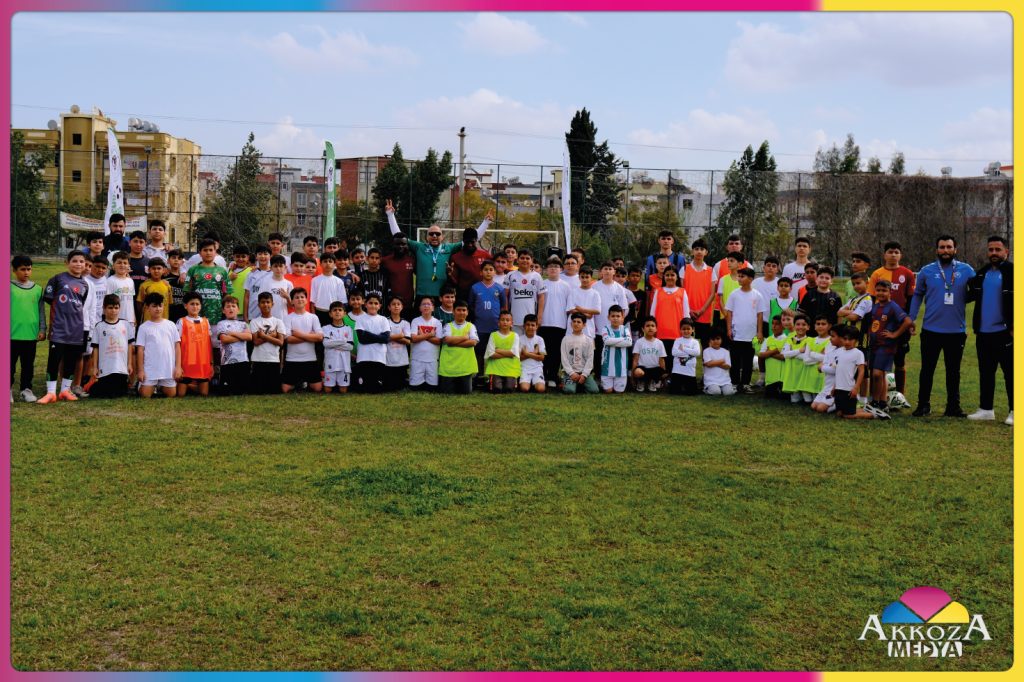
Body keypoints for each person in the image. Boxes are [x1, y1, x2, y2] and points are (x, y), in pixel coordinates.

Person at [908, 235, 975, 417]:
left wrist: (965, 298)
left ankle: (953, 407)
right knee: (927, 370)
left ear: (955, 249)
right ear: (937, 250)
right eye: (942, 247)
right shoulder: (926, 271)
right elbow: (917, 295)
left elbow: (978, 290)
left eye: (949, 247)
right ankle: (923, 405)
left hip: (956, 331)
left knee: (953, 371)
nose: (945, 250)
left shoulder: (967, 270)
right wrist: (911, 318)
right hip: (931, 330)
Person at [385, 198, 492, 300]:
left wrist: (485, 223)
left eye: (437, 234)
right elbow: (399, 237)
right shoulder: (419, 247)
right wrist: (390, 215)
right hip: (422, 296)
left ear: (442, 237)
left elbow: (471, 239)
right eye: (431, 234)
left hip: (442, 297)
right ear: (427, 236)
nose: (434, 236)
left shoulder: (449, 248)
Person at [38, 251, 98, 403]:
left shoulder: (85, 284)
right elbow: (50, 300)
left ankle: (65, 390)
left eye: (81, 262)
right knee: (54, 360)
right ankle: (51, 392)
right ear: (67, 263)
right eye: (75, 261)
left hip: (76, 330)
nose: (78, 264)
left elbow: (81, 306)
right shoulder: (57, 279)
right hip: (58, 328)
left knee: (71, 361)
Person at [966, 235, 1013, 424]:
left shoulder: (1013, 272)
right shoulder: (982, 273)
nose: (994, 253)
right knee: (986, 373)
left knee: (1011, 373)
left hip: (1006, 333)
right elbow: (968, 295)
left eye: (997, 250)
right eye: (991, 250)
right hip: (984, 333)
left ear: (1006, 251)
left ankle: (1015, 411)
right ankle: (986, 409)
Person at [866, 279, 912, 416]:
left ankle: (875, 401)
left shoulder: (893, 306)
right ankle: (882, 402)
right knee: (879, 375)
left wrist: (895, 334)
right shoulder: (875, 306)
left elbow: (907, 321)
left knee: (877, 374)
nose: (881, 293)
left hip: (886, 346)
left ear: (890, 292)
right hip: (874, 345)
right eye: (878, 290)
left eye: (884, 290)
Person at [724, 267, 766, 392]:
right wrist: (729, 329)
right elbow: (729, 313)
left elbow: (760, 315)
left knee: (748, 361)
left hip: (751, 335)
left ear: (751, 279)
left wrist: (759, 332)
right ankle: (735, 383)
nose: (739, 279)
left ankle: (746, 383)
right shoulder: (734, 294)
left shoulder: (757, 295)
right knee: (735, 360)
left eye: (742, 276)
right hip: (736, 333)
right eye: (739, 276)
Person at [10, 255, 46, 403]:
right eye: (22, 269)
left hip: (30, 335)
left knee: (28, 366)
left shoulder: (37, 289)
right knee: (9, 365)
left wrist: (42, 329)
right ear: (14, 270)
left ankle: (26, 390)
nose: (26, 272)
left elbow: (41, 311)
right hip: (11, 335)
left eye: (29, 269)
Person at [833, 324, 887, 420]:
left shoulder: (858, 353)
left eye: (850, 339)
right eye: (845, 339)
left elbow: (861, 372)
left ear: (856, 340)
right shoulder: (839, 352)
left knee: (848, 415)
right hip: (838, 389)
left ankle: (876, 415)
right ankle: (867, 409)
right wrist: (834, 387)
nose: (847, 342)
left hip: (848, 389)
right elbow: (838, 371)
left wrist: (856, 387)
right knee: (839, 413)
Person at [86, 294, 135, 399]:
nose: (113, 311)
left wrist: (129, 364)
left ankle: (125, 385)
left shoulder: (126, 325)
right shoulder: (99, 326)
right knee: (103, 393)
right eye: (110, 308)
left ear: (120, 308)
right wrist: (95, 367)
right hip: (106, 369)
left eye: (116, 308)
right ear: (104, 308)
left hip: (121, 368)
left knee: (118, 393)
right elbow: (96, 348)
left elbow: (130, 345)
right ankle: (90, 384)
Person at [135, 292, 181, 399]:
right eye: (154, 306)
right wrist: (141, 370)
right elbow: (140, 350)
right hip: (150, 369)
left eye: (160, 305)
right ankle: (143, 385)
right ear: (147, 308)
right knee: (145, 395)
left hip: (167, 368)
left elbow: (177, 347)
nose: (158, 309)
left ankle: (159, 386)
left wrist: (178, 367)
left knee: (171, 394)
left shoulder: (171, 325)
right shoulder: (143, 327)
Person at [282, 288, 324, 394]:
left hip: (310, 359)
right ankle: (299, 382)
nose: (300, 299)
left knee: (318, 388)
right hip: (292, 359)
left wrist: (299, 334)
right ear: (292, 301)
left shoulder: (313, 317)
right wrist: (310, 336)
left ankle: (304, 382)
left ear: (306, 300)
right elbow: (288, 339)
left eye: (302, 297)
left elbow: (319, 337)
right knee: (285, 389)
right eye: (296, 297)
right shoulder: (288, 318)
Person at [539, 257, 571, 387]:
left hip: (560, 323)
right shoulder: (542, 284)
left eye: (556, 266)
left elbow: (569, 306)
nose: (553, 269)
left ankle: (552, 376)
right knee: (543, 351)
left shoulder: (566, 286)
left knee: (556, 352)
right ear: (546, 269)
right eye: (550, 266)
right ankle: (542, 375)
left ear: (561, 269)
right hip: (543, 323)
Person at [468, 261, 504, 378]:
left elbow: (503, 306)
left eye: (491, 269)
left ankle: (493, 376)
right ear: (481, 272)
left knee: (494, 351)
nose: (488, 272)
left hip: (494, 326)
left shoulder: (499, 288)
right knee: (479, 351)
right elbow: (470, 305)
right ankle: (479, 375)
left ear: (494, 272)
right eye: (486, 269)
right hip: (480, 326)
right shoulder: (475, 288)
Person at [183, 238, 230, 327]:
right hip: (196, 316)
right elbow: (187, 292)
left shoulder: (222, 271)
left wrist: (224, 311)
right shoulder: (193, 270)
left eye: (211, 250)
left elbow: (227, 294)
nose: (208, 253)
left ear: (215, 252)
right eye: (205, 250)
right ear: (200, 253)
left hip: (217, 316)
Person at [176, 292, 214, 397]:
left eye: (197, 304)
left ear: (201, 306)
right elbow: (177, 344)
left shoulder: (206, 321)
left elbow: (209, 344)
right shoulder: (181, 321)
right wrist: (178, 365)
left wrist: (211, 364)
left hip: (202, 364)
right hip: (186, 364)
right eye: (192, 304)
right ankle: (188, 384)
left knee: (204, 394)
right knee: (180, 394)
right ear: (185, 306)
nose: (195, 306)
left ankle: (192, 385)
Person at [648, 266, 690, 358]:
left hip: (677, 332)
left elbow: (686, 314)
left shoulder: (682, 291)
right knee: (661, 359)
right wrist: (652, 328)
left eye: (672, 275)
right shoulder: (658, 291)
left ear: (677, 277)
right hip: (660, 332)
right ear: (664, 277)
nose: (670, 277)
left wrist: (686, 330)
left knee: (674, 360)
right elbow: (652, 312)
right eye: (667, 275)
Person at [438, 300, 479, 394]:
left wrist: (453, 342)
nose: (461, 312)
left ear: (467, 312)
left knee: (465, 392)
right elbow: (447, 340)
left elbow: (473, 342)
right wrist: (464, 338)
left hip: (465, 368)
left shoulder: (471, 326)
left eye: (464, 310)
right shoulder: (447, 326)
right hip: (449, 368)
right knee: (447, 392)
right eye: (459, 310)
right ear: (453, 311)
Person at [249, 292, 286, 394]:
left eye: (268, 302)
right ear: (258, 305)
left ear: (272, 304)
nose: (265, 304)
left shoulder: (278, 322)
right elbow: (256, 342)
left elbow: (280, 342)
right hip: (258, 360)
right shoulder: (254, 322)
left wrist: (264, 336)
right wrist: (272, 335)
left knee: (274, 391)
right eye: (262, 302)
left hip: (273, 360)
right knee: (258, 391)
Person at [353, 293, 390, 394]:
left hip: (378, 357)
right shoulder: (360, 319)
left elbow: (386, 339)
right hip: (364, 356)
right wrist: (379, 337)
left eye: (376, 303)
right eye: (370, 303)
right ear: (365, 304)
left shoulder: (383, 319)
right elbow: (362, 339)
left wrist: (368, 334)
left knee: (376, 388)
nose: (373, 305)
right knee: (363, 387)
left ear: (380, 306)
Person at [216, 295, 252, 396]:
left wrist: (232, 333)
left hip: (242, 361)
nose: (231, 308)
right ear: (223, 310)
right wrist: (241, 337)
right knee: (226, 391)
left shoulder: (243, 324)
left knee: (241, 391)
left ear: (238, 309)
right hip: (227, 362)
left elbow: (249, 337)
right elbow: (224, 339)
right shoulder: (221, 324)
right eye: (228, 306)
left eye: (233, 306)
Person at [683, 238, 715, 349]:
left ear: (706, 252)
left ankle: (706, 360)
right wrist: (689, 310)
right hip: (687, 312)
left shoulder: (711, 270)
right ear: (692, 252)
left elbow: (712, 294)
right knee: (686, 342)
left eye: (702, 249)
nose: (699, 251)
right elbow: (681, 292)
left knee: (705, 343)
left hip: (704, 314)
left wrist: (701, 310)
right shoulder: (684, 269)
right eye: (696, 249)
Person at [507, 249, 546, 337]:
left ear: (532, 260)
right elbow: (505, 295)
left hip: (531, 321)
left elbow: (541, 297)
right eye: (522, 258)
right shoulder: (510, 275)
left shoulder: (537, 276)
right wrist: (507, 315)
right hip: (514, 320)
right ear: (517, 259)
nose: (525, 260)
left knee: (530, 344)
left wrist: (539, 316)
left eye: (527, 258)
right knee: (516, 344)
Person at [449, 227, 493, 301]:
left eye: (472, 242)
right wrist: (450, 275)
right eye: (467, 242)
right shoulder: (455, 257)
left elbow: (497, 267)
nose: (470, 245)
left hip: (482, 293)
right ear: (463, 241)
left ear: (476, 240)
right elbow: (454, 281)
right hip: (464, 295)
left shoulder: (485, 255)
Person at [409, 297, 443, 391]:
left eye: (429, 304)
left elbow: (439, 341)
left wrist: (422, 335)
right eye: (423, 304)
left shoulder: (437, 323)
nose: (426, 306)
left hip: (432, 360)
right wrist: (430, 335)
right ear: (420, 308)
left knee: (432, 388)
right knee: (415, 387)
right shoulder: (415, 321)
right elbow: (414, 339)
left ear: (433, 308)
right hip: (417, 359)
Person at [561, 312, 599, 394]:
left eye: (579, 322)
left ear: (584, 325)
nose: (576, 324)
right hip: (570, 373)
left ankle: (580, 384)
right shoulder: (565, 339)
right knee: (569, 390)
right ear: (571, 324)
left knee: (594, 390)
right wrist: (571, 373)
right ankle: (567, 382)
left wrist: (584, 375)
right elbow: (564, 359)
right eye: (574, 321)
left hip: (584, 373)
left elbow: (590, 359)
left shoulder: (588, 340)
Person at [322, 301, 355, 394]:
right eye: (335, 310)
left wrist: (333, 343)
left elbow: (350, 347)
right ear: (330, 314)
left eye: (340, 310)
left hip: (344, 364)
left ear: (344, 314)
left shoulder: (348, 329)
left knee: (343, 390)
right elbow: (326, 344)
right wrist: (343, 341)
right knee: (328, 390)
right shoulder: (326, 328)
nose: (337, 312)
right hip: (330, 362)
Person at [484, 310, 521, 393]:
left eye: (507, 320)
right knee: (496, 389)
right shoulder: (493, 335)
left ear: (511, 323)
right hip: (495, 369)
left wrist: (498, 350)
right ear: (498, 322)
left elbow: (513, 353)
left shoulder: (515, 336)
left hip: (510, 369)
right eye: (502, 320)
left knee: (509, 389)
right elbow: (491, 354)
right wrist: (508, 353)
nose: (505, 322)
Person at [381, 233, 416, 317]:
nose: (400, 246)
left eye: (403, 244)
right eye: (397, 244)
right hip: (391, 304)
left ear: (407, 245)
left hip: (407, 304)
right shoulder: (385, 261)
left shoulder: (412, 260)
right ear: (393, 245)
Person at [781, 313, 813, 404]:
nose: (800, 327)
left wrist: (792, 353)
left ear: (808, 327)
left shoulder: (810, 340)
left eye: (804, 325)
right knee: (794, 400)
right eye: (798, 324)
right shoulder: (789, 339)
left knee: (808, 400)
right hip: (792, 373)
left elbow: (806, 357)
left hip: (804, 372)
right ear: (794, 326)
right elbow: (784, 355)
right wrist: (799, 350)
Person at [600, 305, 632, 394]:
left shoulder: (625, 329)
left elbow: (629, 342)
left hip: (621, 367)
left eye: (618, 316)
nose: (615, 318)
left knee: (619, 391)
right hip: (607, 366)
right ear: (608, 317)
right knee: (608, 391)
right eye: (613, 316)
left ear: (622, 317)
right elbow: (606, 341)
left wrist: (612, 341)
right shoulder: (605, 328)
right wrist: (623, 339)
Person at [810, 325, 842, 415]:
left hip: (834, 388)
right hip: (826, 386)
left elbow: (835, 370)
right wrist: (826, 366)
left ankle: (840, 404)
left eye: (833, 336)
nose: (830, 338)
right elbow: (824, 363)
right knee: (814, 406)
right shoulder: (831, 350)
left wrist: (822, 367)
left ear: (841, 338)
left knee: (820, 409)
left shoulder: (843, 352)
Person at [311, 252, 348, 327]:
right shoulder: (315, 280)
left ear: (334, 264)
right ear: (320, 264)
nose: (327, 263)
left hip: (334, 313)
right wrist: (313, 314)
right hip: (319, 312)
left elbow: (342, 301)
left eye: (330, 261)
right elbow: (312, 301)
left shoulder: (339, 281)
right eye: (325, 261)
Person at [106, 251, 138, 337]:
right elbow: (107, 303)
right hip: (116, 320)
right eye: (119, 262)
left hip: (130, 320)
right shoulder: (110, 281)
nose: (122, 265)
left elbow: (131, 301)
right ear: (113, 265)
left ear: (128, 265)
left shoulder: (130, 281)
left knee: (130, 343)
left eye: (125, 263)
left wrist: (134, 317)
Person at [632, 317, 667, 392]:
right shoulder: (639, 342)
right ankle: (641, 381)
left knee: (664, 373)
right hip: (642, 368)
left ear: (656, 329)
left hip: (654, 368)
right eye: (647, 326)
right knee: (638, 372)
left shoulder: (660, 343)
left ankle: (652, 382)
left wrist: (663, 373)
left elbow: (662, 360)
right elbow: (635, 359)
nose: (650, 328)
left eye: (652, 326)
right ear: (643, 329)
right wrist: (632, 376)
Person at [757, 316, 789, 400]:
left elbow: (783, 357)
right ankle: (763, 380)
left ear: (783, 326)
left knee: (782, 398)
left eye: (777, 324)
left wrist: (768, 352)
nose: (774, 326)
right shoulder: (768, 340)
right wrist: (775, 351)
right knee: (770, 396)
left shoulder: (787, 340)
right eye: (773, 323)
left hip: (782, 379)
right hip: (770, 380)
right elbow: (761, 355)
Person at [668, 317, 701, 396]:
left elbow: (697, 352)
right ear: (680, 330)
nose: (686, 331)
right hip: (677, 371)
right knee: (674, 392)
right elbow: (674, 353)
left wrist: (683, 348)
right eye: (683, 329)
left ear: (693, 329)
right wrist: (690, 353)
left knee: (691, 393)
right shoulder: (677, 340)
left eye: (688, 329)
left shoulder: (695, 342)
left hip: (690, 372)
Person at [384, 296, 411, 391]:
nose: (396, 306)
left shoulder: (406, 323)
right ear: (389, 307)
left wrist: (391, 336)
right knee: (390, 387)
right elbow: (384, 338)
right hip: (389, 359)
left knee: (401, 386)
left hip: (402, 359)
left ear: (402, 307)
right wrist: (400, 335)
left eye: (398, 304)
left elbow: (408, 341)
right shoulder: (385, 321)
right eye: (393, 304)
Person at [568, 266, 601, 339]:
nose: (584, 279)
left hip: (588, 330)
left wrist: (581, 309)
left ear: (591, 278)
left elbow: (597, 311)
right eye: (582, 277)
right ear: (579, 278)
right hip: (573, 330)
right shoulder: (573, 292)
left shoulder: (595, 293)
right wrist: (587, 315)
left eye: (587, 277)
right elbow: (571, 309)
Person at [518, 314, 547, 393]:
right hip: (524, 368)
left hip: (537, 368)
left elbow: (542, 357)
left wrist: (526, 353)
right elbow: (518, 358)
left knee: (541, 389)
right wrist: (534, 353)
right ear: (524, 326)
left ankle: (535, 383)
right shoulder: (519, 339)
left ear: (536, 326)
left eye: (533, 325)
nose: (530, 327)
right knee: (524, 389)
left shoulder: (540, 339)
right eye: (528, 325)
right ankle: (528, 383)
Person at [136, 257, 172, 321]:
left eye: (159, 268)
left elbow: (169, 303)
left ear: (163, 270)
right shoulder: (144, 285)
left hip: (163, 319)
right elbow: (139, 303)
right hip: (148, 320)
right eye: (153, 268)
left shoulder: (167, 285)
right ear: (149, 270)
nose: (156, 271)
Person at [702, 331, 734, 396]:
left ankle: (725, 388)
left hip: (724, 380)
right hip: (711, 380)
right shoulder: (706, 351)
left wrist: (713, 362)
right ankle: (707, 389)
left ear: (721, 340)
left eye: (718, 339)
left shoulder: (726, 352)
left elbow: (728, 366)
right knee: (716, 392)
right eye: (713, 339)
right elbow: (708, 364)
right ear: (710, 340)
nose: (715, 341)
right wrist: (721, 361)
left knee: (728, 393)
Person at [266, 255, 294, 322]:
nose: (278, 269)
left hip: (283, 319)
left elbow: (292, 306)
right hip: (268, 319)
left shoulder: (289, 284)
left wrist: (287, 297)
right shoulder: (265, 282)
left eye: (281, 266)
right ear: (271, 268)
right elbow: (261, 302)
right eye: (275, 266)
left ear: (285, 267)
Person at [165, 249, 187, 322]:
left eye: (179, 258)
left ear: (182, 262)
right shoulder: (164, 277)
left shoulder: (186, 278)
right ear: (168, 260)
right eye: (173, 257)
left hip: (183, 314)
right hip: (168, 314)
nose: (176, 260)